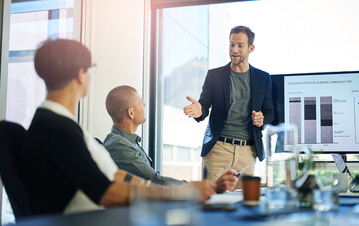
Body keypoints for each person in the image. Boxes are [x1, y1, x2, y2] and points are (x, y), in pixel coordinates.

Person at [22, 39, 215, 216]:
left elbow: (115, 174)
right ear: (81, 74)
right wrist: (179, 193)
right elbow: (105, 191)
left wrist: (177, 190)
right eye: (91, 69)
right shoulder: (57, 129)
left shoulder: (59, 123)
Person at [183, 26, 274, 188]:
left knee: (241, 204)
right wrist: (199, 111)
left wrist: (262, 119)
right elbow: (204, 106)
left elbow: (270, 113)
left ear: (250, 48)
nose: (234, 49)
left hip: (247, 152)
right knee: (211, 199)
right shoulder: (214, 76)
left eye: (240, 45)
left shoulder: (263, 78)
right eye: (232, 44)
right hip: (218, 149)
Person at [103, 85, 238, 193]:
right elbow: (154, 180)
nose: (144, 105)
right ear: (131, 113)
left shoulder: (125, 141)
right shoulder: (119, 145)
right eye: (140, 102)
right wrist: (206, 187)